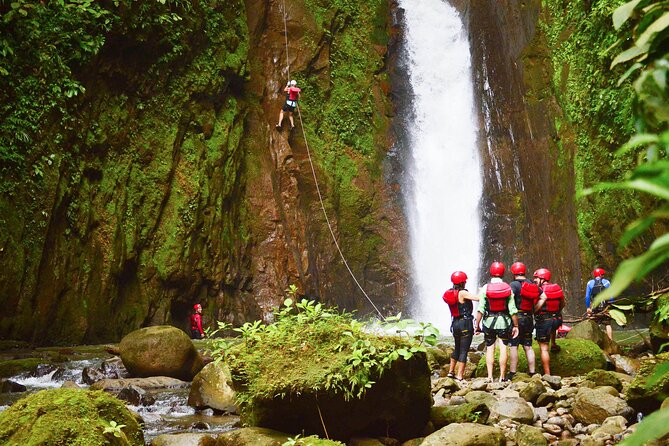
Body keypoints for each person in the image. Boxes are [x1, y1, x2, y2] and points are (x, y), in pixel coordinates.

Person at [475, 261, 519, 382]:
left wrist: (477, 324)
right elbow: (513, 310)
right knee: (504, 347)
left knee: (490, 348)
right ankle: (502, 376)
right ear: (503, 273)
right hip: (504, 322)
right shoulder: (507, 288)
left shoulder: (485, 288)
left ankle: (489, 377)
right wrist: (516, 325)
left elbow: (481, 309)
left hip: (488, 322)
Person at [443, 271, 480, 380]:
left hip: (455, 324)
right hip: (465, 323)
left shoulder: (450, 293)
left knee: (457, 348)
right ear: (462, 282)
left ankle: (450, 372)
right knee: (464, 350)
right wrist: (483, 291)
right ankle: (459, 376)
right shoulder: (462, 293)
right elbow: (477, 298)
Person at [508, 262, 539, 379]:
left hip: (517, 317)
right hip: (529, 318)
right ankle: (532, 372)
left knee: (514, 345)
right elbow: (543, 296)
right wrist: (535, 309)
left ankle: (512, 372)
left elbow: (509, 299)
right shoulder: (531, 283)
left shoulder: (514, 285)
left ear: (513, 272)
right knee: (528, 346)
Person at [532, 268, 565, 375]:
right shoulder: (557, 288)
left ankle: (547, 374)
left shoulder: (539, 291)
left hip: (544, 321)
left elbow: (535, 306)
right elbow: (562, 303)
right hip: (557, 319)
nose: (535, 280)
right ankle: (554, 344)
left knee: (544, 348)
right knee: (552, 327)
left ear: (542, 279)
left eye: (536, 278)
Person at [585, 267, 614, 340]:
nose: (603, 276)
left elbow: (587, 296)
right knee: (607, 323)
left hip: (595, 304)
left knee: (593, 321)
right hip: (605, 304)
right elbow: (611, 295)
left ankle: (594, 339)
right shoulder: (607, 282)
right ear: (601, 274)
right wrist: (612, 304)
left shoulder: (589, 283)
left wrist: (588, 307)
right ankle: (610, 340)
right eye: (603, 274)